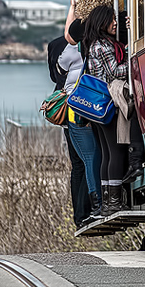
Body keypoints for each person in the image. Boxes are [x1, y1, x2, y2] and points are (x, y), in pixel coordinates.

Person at [83, 4, 130, 215]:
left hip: (97, 106)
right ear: (102, 22)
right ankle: (114, 202)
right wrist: (134, 58)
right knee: (116, 152)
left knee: (106, 154)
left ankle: (106, 203)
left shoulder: (93, 44)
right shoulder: (103, 46)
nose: (114, 23)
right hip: (109, 102)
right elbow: (114, 73)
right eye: (111, 19)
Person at [62, 0, 103, 224]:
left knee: (85, 160)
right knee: (96, 154)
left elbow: (69, 34)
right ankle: (97, 202)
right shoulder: (106, 26)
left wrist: (73, 7)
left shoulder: (81, 30)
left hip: (80, 104)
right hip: (101, 99)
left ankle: (89, 208)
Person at [47, 34, 91, 228]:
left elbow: (54, 76)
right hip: (82, 110)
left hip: (66, 113)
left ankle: (79, 215)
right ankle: (87, 210)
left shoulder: (55, 45)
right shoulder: (87, 45)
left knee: (77, 165)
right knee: (88, 160)